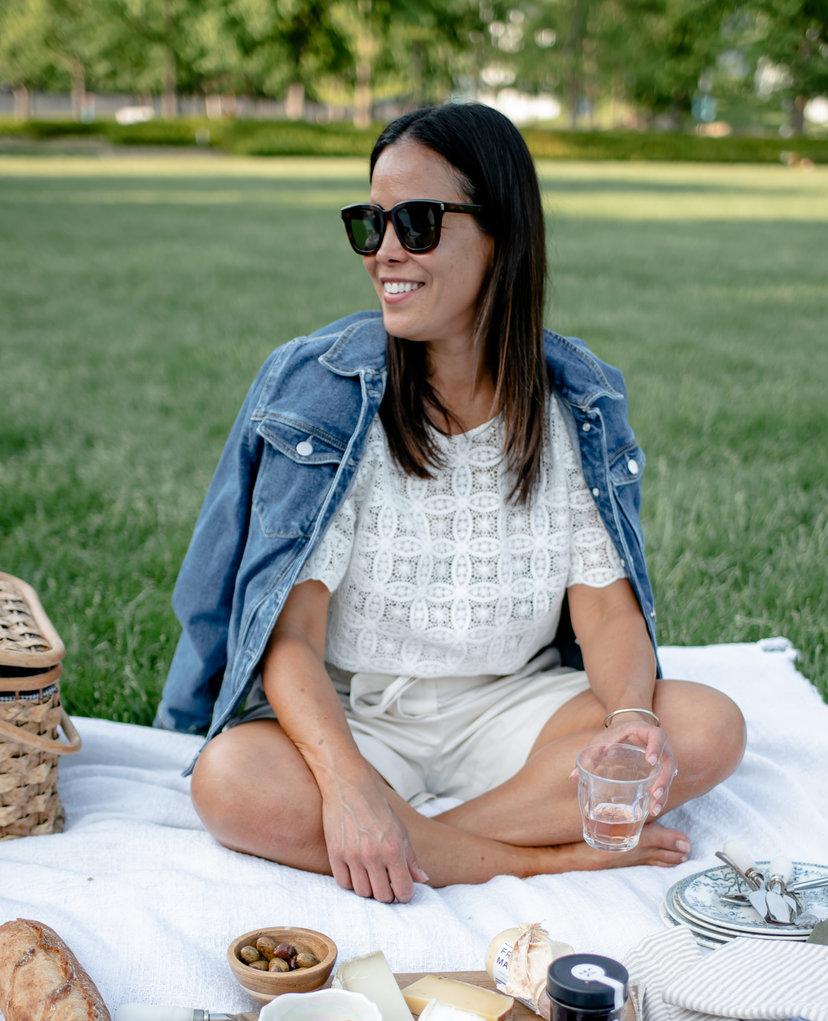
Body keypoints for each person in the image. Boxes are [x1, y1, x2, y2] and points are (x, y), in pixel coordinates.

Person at [156, 102, 746, 905]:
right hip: (361, 710)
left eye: (420, 222)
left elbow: (607, 615)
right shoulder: (331, 398)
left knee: (708, 727)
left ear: (499, 232)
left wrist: (627, 718)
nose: (387, 252)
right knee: (230, 779)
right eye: (371, 225)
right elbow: (290, 639)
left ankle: (426, 842)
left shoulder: (571, 406)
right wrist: (347, 780)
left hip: (516, 707)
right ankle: (534, 857)